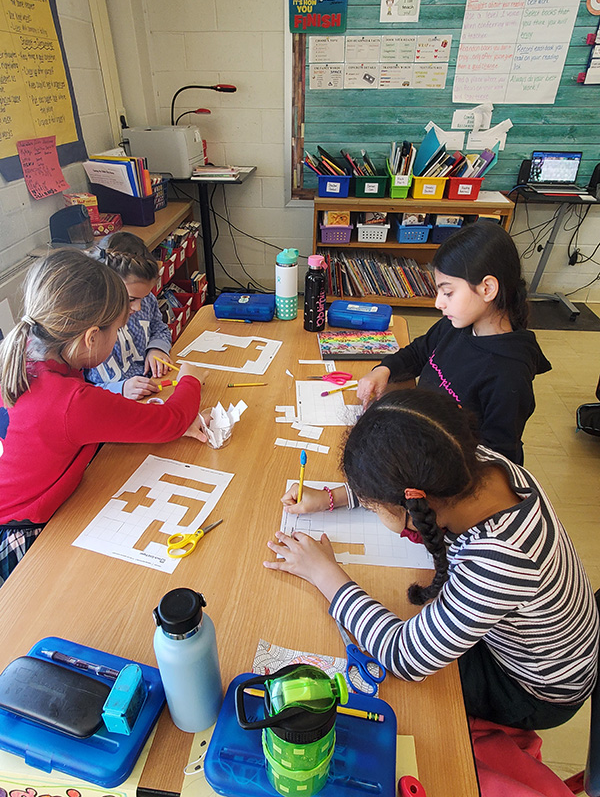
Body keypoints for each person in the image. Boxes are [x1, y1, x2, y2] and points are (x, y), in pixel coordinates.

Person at [265, 388, 599, 730]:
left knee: (403, 701)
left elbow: (404, 656)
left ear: (413, 503)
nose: (372, 508)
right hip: (527, 635)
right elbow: (406, 473)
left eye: (373, 505)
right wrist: (331, 497)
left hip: (532, 688)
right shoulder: (473, 462)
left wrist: (324, 573)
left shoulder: (498, 557)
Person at [0, 249, 206, 585]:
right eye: (117, 330)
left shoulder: (23, 352)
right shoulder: (72, 402)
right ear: (92, 337)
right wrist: (191, 379)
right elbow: (171, 421)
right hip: (20, 536)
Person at [356, 221, 551, 464]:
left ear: (487, 288)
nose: (439, 303)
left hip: (447, 468)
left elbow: (498, 459)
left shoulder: (507, 373)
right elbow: (418, 352)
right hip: (422, 437)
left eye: (448, 292)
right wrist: (384, 370)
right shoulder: (456, 325)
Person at [86, 231, 173, 400]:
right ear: (104, 287)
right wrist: (120, 389)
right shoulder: (85, 329)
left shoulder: (145, 300)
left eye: (143, 297)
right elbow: (79, 391)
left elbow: (158, 327)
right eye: (131, 299)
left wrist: (157, 347)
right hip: (112, 404)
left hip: (151, 390)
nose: (138, 307)